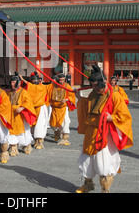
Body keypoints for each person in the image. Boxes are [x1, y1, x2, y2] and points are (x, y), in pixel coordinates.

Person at [76, 65, 133, 193]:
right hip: (91, 132)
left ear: (103, 82)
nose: (95, 88)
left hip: (104, 134)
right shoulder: (93, 93)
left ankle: (105, 189)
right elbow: (88, 107)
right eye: (93, 85)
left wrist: (111, 118)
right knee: (86, 160)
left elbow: (124, 116)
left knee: (104, 164)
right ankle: (88, 184)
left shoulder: (115, 96)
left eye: (97, 85)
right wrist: (81, 99)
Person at [8, 72, 37, 156]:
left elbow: (28, 102)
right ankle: (13, 147)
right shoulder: (9, 92)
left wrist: (22, 108)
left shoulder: (23, 92)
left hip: (21, 116)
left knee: (23, 132)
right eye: (11, 82)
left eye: (13, 82)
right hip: (12, 116)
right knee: (12, 131)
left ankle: (27, 146)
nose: (12, 84)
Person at [20, 72, 49, 149]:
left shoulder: (42, 87)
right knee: (31, 124)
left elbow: (31, 87)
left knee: (40, 125)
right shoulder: (39, 86)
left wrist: (22, 79)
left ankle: (39, 141)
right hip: (31, 107)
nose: (35, 81)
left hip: (40, 107)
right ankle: (33, 140)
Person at [47, 73, 76, 145]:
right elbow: (44, 90)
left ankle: (65, 138)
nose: (61, 82)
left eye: (63, 80)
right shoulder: (52, 86)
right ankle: (57, 132)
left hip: (63, 108)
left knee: (65, 122)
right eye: (60, 80)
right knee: (52, 124)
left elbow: (72, 96)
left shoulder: (67, 86)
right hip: (54, 108)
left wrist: (66, 99)